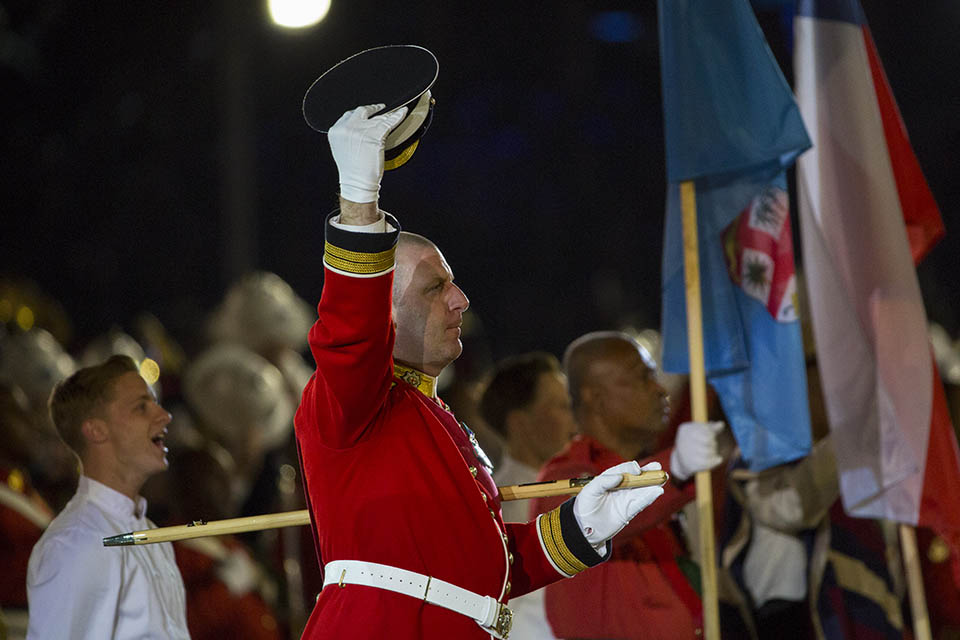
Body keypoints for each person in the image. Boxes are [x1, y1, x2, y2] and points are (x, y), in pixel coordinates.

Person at [293, 100, 667, 640]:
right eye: (434, 288)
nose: (461, 300)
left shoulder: (435, 418)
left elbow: (479, 574)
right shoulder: (346, 402)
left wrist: (579, 530)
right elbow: (348, 334)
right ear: (384, 311)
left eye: (453, 283)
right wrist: (359, 200)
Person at [531, 331, 729, 640]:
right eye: (643, 378)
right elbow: (591, 515)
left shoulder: (647, 471)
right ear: (595, 397)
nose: (659, 390)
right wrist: (673, 466)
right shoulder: (562, 478)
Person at [26, 355, 190, 639]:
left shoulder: (149, 532)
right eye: (141, 407)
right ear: (96, 430)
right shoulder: (76, 543)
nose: (164, 416)